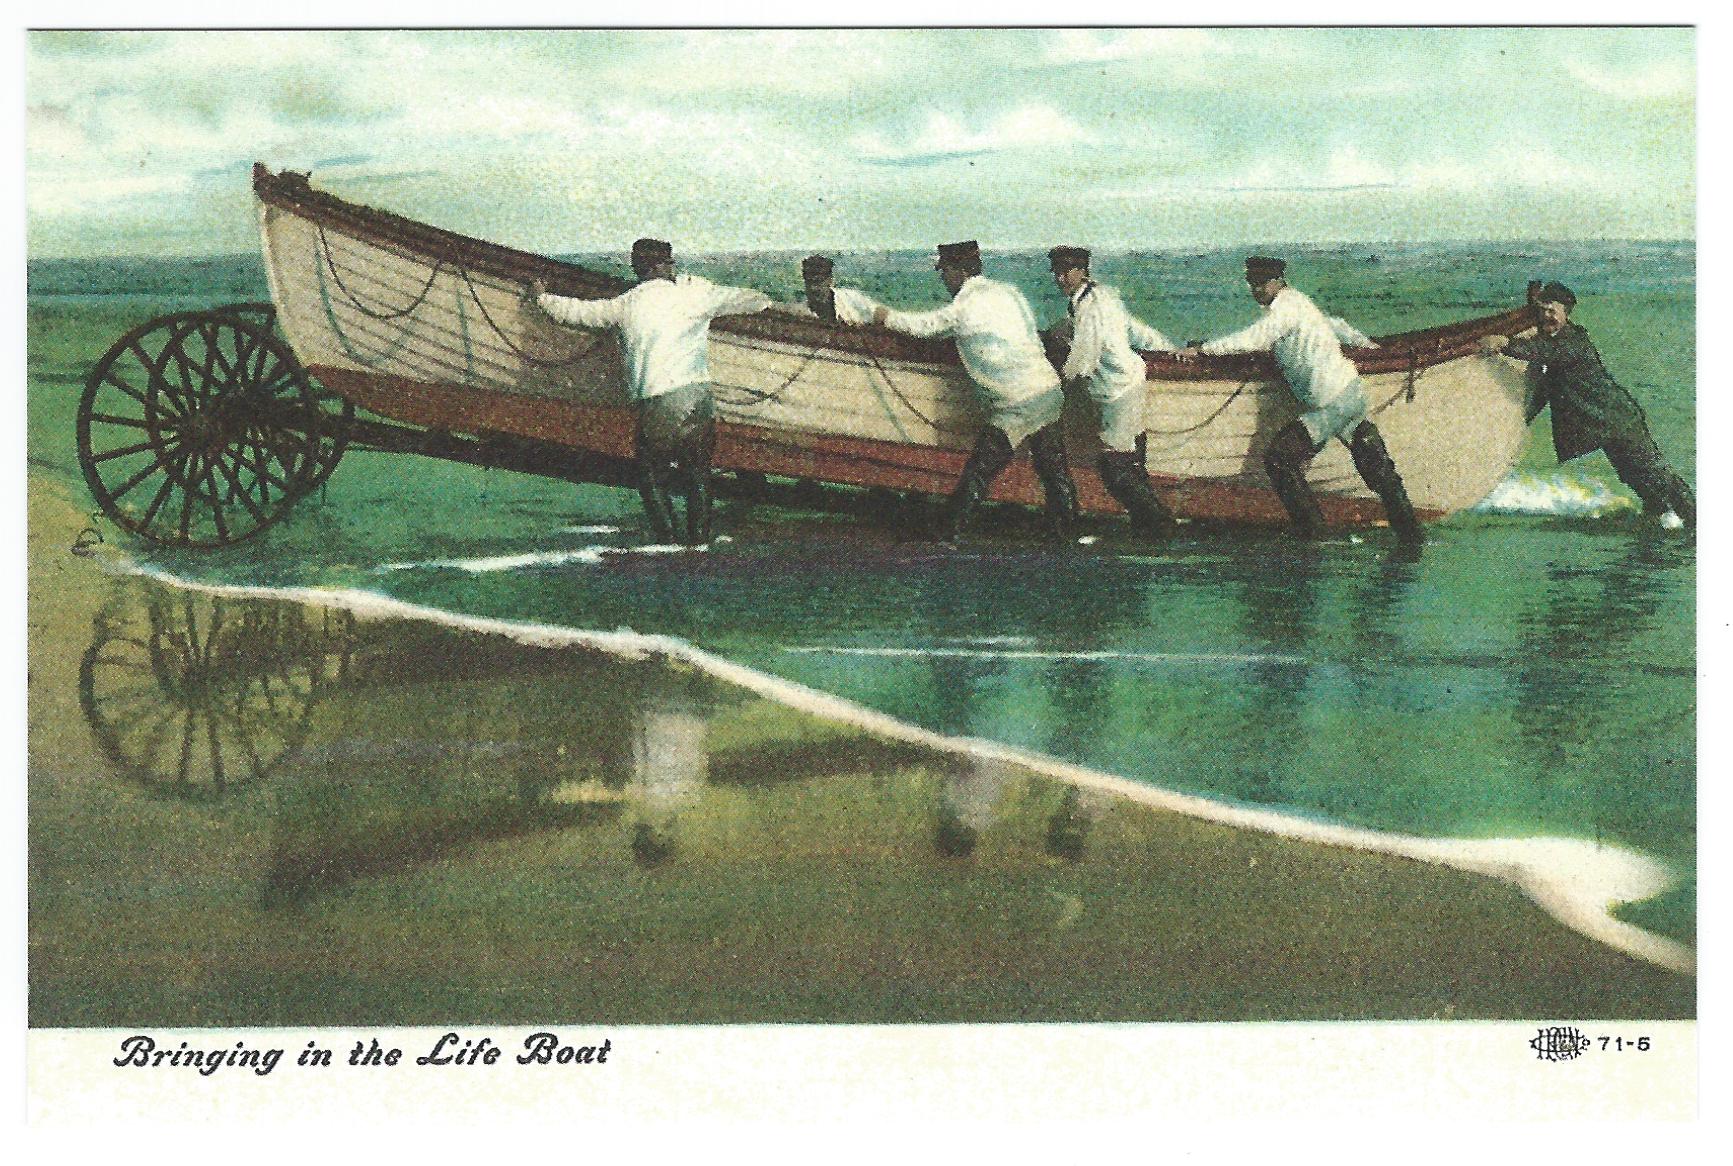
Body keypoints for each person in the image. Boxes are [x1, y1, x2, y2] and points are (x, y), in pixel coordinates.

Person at [528, 239, 771, 545]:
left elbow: (578, 313)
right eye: (670, 264)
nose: (673, 269)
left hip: (658, 403)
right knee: (698, 474)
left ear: (639, 269)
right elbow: (754, 300)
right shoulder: (695, 296)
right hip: (697, 399)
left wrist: (542, 297)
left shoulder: (626, 304)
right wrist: (766, 300)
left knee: (651, 476)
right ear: (661, 266)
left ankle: (667, 542)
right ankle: (699, 541)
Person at [1180, 256, 1420, 543]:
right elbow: (1336, 325)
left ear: (1278, 281)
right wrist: (1370, 347)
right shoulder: (1298, 302)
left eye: (1261, 283)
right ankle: (1412, 535)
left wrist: (1204, 349)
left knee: (1279, 459)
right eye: (1251, 283)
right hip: (1349, 393)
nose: (1255, 289)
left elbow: (1255, 338)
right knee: (1374, 464)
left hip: (1331, 402)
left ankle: (1315, 535)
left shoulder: (1286, 308)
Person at [870, 240, 1079, 543]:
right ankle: (1067, 533)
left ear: (957, 272)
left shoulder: (964, 306)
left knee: (979, 470)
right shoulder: (1009, 292)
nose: (943, 279)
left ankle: (947, 532)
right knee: (1052, 468)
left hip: (1016, 403)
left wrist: (884, 316)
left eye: (945, 272)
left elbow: (925, 326)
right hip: (1047, 389)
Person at [1483, 281, 1694, 527]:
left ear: (1565, 313)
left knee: (1656, 476)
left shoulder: (1573, 341)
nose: (1547, 316)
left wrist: (1504, 344)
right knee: (1633, 477)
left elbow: (1544, 351)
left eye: (1552, 311)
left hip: (1619, 421)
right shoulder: (1556, 341)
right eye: (1543, 311)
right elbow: (1544, 388)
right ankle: (1657, 520)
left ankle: (1696, 523)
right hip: (1605, 424)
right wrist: (1519, 422)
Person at [1047, 245, 1180, 539]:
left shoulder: (1090, 307)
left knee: (1113, 469)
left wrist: (1054, 385)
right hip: (1129, 380)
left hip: (1116, 389)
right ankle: (1147, 525)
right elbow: (1134, 330)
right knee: (1131, 461)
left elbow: (1084, 358)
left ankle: (1161, 525)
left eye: (1066, 272)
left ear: (1082, 272)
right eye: (1056, 273)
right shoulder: (1104, 295)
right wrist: (1168, 348)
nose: (1060, 279)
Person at [778, 254, 881, 324]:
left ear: (830, 281)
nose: (814, 288)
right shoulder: (799, 309)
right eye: (810, 282)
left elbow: (880, 312)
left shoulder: (850, 298)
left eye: (819, 282)